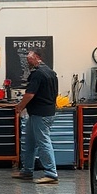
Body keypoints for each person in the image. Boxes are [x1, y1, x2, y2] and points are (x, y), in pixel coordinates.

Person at [12, 49, 59, 184]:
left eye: (29, 59)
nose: (28, 62)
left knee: (43, 142)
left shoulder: (37, 74)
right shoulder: (51, 72)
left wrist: (20, 106)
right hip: (40, 113)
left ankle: (51, 174)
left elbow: (30, 94)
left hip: (41, 114)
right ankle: (27, 171)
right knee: (29, 142)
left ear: (37, 57)